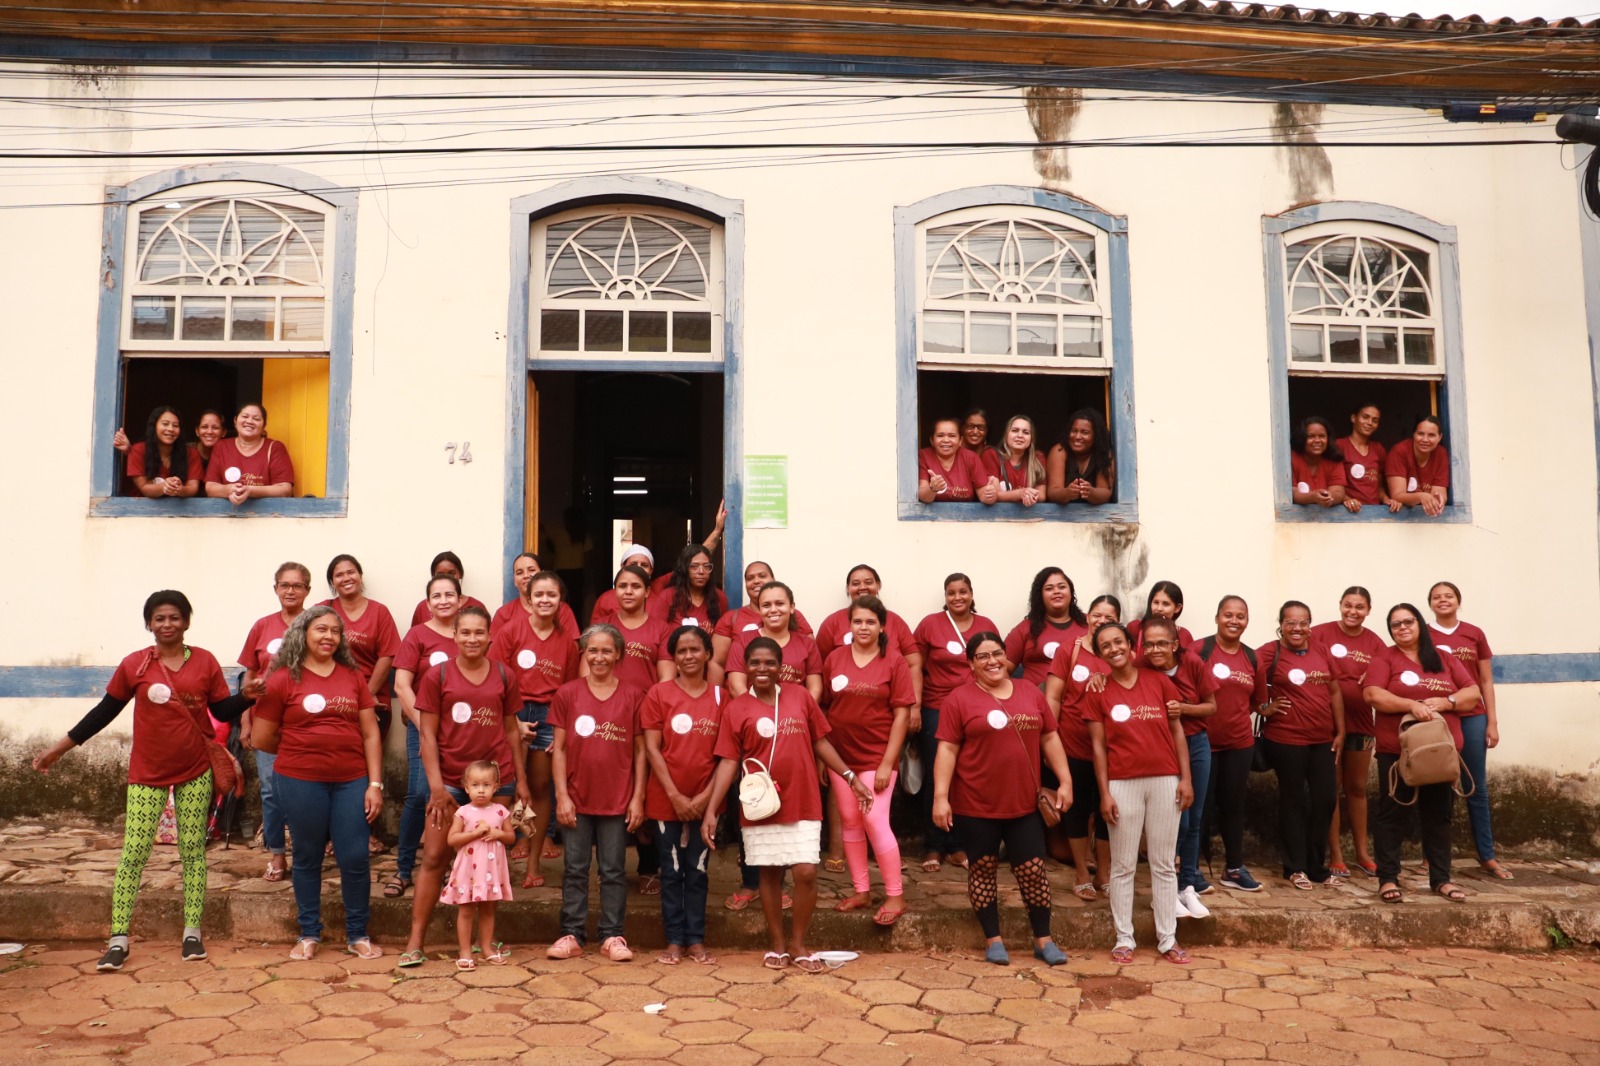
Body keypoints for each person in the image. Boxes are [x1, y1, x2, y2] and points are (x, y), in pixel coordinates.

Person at [32, 590, 251, 971]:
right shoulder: (135, 665)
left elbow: (220, 709)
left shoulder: (205, 662)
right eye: (159, 618)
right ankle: (118, 939)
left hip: (196, 771)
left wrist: (247, 696)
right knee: (133, 853)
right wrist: (59, 748)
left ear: (186, 621)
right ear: (148, 623)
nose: (167, 624)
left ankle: (192, 934)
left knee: (193, 853)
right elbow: (105, 711)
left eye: (175, 617)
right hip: (146, 774)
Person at [702, 637, 873, 973]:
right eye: (755, 663)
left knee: (806, 871)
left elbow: (820, 742)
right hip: (760, 804)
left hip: (803, 797)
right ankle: (778, 945)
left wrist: (851, 777)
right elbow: (726, 762)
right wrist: (711, 808)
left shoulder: (800, 697)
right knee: (769, 873)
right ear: (746, 667)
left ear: (781, 667)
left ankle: (799, 943)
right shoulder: (736, 709)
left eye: (769, 663)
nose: (762, 669)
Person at [397, 606, 529, 968]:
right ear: (454, 636)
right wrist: (437, 789)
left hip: (495, 781)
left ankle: (484, 942)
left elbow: (511, 730)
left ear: (490, 636)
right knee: (436, 857)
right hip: (451, 783)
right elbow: (426, 734)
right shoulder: (437, 675)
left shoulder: (504, 674)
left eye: (479, 633)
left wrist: (521, 781)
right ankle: (415, 941)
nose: (472, 639)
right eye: (465, 632)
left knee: (491, 858)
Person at [250, 606, 385, 961]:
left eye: (335, 631)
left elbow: (370, 733)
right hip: (299, 780)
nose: (328, 636)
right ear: (303, 634)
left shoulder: (352, 677)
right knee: (307, 856)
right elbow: (263, 738)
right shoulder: (282, 678)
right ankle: (309, 933)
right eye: (320, 629)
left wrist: (375, 784)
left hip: (351, 780)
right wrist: (304, 749)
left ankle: (358, 933)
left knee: (355, 856)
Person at [932, 632, 1072, 967]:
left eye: (997, 653)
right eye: (983, 656)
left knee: (1033, 872)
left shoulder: (1028, 692)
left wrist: (1065, 780)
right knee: (982, 870)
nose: (992, 661)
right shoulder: (958, 699)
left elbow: (1049, 737)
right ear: (971, 664)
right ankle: (993, 940)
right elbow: (947, 750)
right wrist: (940, 797)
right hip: (975, 804)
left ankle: (1043, 939)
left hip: (1024, 804)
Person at [1084, 623, 1193, 965]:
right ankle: (1124, 938)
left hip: (1164, 781)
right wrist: (1105, 793)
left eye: (1119, 642)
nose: (1114, 649)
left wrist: (1185, 778)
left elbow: (1178, 734)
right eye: (1105, 646)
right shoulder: (1097, 690)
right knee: (1122, 865)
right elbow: (1098, 748)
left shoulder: (1159, 682)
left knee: (1163, 864)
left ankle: (1167, 938)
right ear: (1099, 653)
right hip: (1122, 783)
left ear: (1132, 645)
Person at [1363, 603, 1481, 904]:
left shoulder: (1444, 658)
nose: (1402, 628)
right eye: (1395, 625)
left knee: (1439, 816)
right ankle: (1388, 878)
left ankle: (1441, 879)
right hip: (1398, 753)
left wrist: (1447, 701)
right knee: (1393, 814)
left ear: (1420, 624)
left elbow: (1472, 693)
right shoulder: (1384, 658)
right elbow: (1373, 694)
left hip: (1440, 754)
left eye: (1408, 622)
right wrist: (1410, 704)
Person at [546, 625, 648, 962]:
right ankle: (572, 933)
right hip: (577, 796)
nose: (599, 657)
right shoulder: (568, 694)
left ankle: (612, 935)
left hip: (617, 799)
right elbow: (558, 749)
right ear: (584, 654)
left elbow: (640, 751)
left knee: (614, 869)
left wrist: (637, 798)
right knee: (575, 867)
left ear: (618, 654)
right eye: (593, 650)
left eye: (606, 651)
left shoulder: (633, 695)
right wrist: (561, 795)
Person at [822, 596, 915, 925]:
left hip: (877, 756)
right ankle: (861, 890)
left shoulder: (894, 662)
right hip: (841, 757)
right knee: (850, 821)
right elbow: (825, 708)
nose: (863, 627)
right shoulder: (834, 659)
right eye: (858, 621)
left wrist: (888, 763)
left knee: (875, 820)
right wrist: (827, 760)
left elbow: (902, 716)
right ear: (849, 625)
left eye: (870, 622)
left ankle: (895, 895)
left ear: (881, 626)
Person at [489, 570, 581, 889]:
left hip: (547, 717)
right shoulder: (511, 631)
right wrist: (513, 720)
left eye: (551, 595)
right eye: (538, 594)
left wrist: (560, 728)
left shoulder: (567, 644)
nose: (544, 600)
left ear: (560, 601)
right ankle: (498, 861)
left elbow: (568, 690)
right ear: (528, 598)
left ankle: (532, 865)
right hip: (510, 713)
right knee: (511, 787)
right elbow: (493, 677)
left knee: (540, 789)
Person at [640, 625, 725, 964]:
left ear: (707, 654)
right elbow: (651, 749)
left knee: (699, 869)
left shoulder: (721, 697)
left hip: (708, 802)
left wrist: (707, 799)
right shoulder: (659, 694)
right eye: (681, 651)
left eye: (695, 650)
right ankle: (674, 939)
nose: (688, 656)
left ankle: (696, 939)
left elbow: (725, 756)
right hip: (665, 799)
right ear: (673, 658)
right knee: (671, 871)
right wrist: (674, 795)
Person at [1255, 601, 1346, 889]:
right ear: (1280, 624)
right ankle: (1294, 868)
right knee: (1292, 801)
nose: (1297, 628)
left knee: (1325, 800)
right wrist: (1263, 708)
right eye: (1291, 622)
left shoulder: (1320, 649)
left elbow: (1334, 690)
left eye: (1303, 622)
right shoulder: (1270, 652)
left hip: (1322, 741)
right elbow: (1243, 679)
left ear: (1310, 624)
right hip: (1286, 740)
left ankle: (1316, 865)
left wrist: (1340, 731)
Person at [912, 574, 996, 874]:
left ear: (972, 594)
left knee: (966, 776)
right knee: (937, 777)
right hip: (937, 708)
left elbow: (996, 666)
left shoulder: (986, 624)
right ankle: (934, 845)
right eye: (951, 593)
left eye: (963, 592)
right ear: (945, 596)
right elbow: (915, 667)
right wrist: (916, 707)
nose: (957, 597)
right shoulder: (930, 624)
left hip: (975, 707)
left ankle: (958, 845)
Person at [1137, 617, 1219, 917]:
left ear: (1175, 644)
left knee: (1193, 817)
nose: (1155, 650)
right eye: (1149, 644)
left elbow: (1211, 706)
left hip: (1195, 743)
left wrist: (1183, 708)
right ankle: (1165, 889)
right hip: (1160, 748)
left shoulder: (1193, 663)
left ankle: (1187, 887)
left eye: (1162, 643)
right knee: (1174, 821)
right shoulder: (1140, 666)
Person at [389, 574, 463, 898]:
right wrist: (425, 726)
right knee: (420, 795)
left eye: (450, 594)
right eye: (437, 595)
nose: (444, 600)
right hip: (422, 728)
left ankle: (448, 867)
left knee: (456, 796)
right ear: (428, 603)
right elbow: (401, 685)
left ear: (461, 600)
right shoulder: (417, 635)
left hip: (461, 732)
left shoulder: (468, 634)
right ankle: (404, 869)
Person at [1428, 581, 1507, 879]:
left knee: (1476, 786)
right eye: (1436, 597)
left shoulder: (1474, 633)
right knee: (1437, 785)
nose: (1442, 600)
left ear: (1458, 601)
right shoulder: (1424, 634)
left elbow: (1485, 681)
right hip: (1440, 718)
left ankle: (1487, 855)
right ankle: (1433, 856)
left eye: (1448, 596)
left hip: (1473, 716)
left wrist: (1492, 721)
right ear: (1431, 604)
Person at [323, 554, 401, 854]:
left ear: (360, 575)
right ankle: (333, 834)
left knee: (368, 769)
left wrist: (365, 697)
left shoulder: (379, 613)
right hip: (332, 703)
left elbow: (387, 655)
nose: (346, 578)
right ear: (332, 582)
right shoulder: (323, 611)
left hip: (373, 702)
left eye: (351, 572)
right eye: (339, 574)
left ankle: (363, 832)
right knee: (334, 768)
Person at [1043, 594, 1119, 900]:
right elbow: (1052, 698)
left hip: (1112, 748)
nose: (1102, 622)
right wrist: (1052, 742)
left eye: (1109, 618)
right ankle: (1081, 873)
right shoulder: (1069, 650)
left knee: (1107, 812)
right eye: (1097, 615)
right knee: (1074, 810)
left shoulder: (1119, 652)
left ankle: (1104, 872)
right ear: (1087, 616)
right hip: (1071, 744)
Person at [238, 562, 310, 883]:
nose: (290, 590)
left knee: (306, 789)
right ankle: (278, 856)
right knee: (270, 791)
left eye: (297, 585)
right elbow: (250, 677)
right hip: (265, 720)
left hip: (305, 721)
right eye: (284, 585)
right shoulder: (262, 626)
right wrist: (245, 723)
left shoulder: (316, 624)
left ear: (307, 590)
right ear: (276, 589)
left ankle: (307, 854)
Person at [1312, 587, 1386, 878]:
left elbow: (1388, 672)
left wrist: (1376, 674)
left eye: (1359, 607)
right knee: (1333, 788)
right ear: (1340, 605)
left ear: (1368, 610)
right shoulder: (1320, 634)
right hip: (1328, 725)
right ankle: (1336, 854)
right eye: (1347, 605)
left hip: (1362, 723)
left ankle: (1363, 852)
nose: (1352, 611)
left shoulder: (1375, 642)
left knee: (1357, 788)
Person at [1196, 595, 1265, 893]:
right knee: (1200, 807)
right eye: (1228, 615)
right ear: (1217, 617)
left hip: (1239, 743)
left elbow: (1257, 700)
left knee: (1234, 806)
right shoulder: (1200, 650)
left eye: (1240, 616)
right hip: (1202, 744)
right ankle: (1192, 870)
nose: (1234, 621)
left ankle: (1234, 868)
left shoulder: (1252, 657)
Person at [440, 760, 516, 970]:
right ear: (466, 787)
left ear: (496, 787)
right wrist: (473, 833)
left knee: (489, 909)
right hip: (469, 870)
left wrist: (497, 833)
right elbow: (452, 839)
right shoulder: (463, 812)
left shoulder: (501, 811)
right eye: (475, 785)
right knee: (466, 910)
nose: (481, 790)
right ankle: (465, 951)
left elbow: (510, 837)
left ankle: (486, 948)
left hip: (491, 871)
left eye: (486, 785)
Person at [712, 560, 813, 676]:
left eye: (762, 576)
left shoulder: (793, 615)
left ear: (773, 580)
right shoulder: (731, 618)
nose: (756, 581)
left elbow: (811, 656)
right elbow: (717, 663)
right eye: (750, 578)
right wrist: (716, 694)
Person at [726, 581, 823, 700]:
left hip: (795, 716)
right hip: (754, 715)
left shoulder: (807, 644)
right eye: (766, 605)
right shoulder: (743, 641)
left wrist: (798, 713)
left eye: (779, 604)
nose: (773, 610)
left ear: (792, 607)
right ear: (760, 609)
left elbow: (815, 689)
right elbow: (736, 687)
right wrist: (760, 714)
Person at [1004, 567, 1088, 688]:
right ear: (1040, 596)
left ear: (1071, 591)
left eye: (1062, 587)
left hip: (1084, 702)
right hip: (1037, 702)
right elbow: (1001, 669)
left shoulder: (1090, 623)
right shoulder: (1025, 628)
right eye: (1049, 588)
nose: (1056, 591)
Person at [602, 565, 675, 692]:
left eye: (636, 586)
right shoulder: (601, 627)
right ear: (615, 591)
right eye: (622, 586)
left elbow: (667, 678)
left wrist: (651, 705)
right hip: (606, 707)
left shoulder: (662, 629)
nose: (628, 591)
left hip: (647, 706)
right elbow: (587, 675)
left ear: (647, 592)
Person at [204, 402, 294, 505]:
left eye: (256, 419)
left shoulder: (275, 448)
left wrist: (251, 491)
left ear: (264, 425)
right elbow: (210, 487)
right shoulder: (222, 447)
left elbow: (285, 490)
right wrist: (229, 489)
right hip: (227, 516)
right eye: (245, 416)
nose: (249, 421)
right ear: (235, 421)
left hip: (268, 516)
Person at [491, 552, 579, 637]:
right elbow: (495, 650)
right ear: (514, 580)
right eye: (519, 572)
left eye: (531, 570)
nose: (526, 575)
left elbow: (572, 649)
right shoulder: (503, 614)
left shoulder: (562, 610)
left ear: (542, 574)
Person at [122, 406, 202, 498]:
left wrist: (179, 489)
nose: (171, 429)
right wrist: (165, 486)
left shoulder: (192, 453)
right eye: (165, 424)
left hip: (181, 510)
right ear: (154, 426)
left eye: (175, 425)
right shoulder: (138, 450)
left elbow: (193, 488)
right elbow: (144, 488)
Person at [649, 544, 729, 631]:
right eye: (694, 566)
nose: (701, 571)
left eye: (706, 566)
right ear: (684, 569)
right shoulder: (667, 597)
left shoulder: (719, 597)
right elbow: (654, 632)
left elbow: (723, 634)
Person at [918, 417, 999, 504]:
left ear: (960, 440)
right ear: (932, 440)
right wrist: (933, 489)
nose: (946, 440)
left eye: (952, 436)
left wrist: (989, 495)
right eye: (940, 435)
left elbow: (983, 495)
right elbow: (924, 497)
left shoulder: (971, 457)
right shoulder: (923, 456)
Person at [1046, 408, 1114, 505]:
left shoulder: (1103, 453)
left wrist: (1091, 492)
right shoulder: (1059, 451)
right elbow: (1052, 492)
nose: (1077, 437)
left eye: (1085, 432)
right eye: (1074, 431)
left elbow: (1106, 492)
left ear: (1096, 436)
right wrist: (1067, 493)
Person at [1385, 414, 1449, 516]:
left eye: (1431, 435)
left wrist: (1439, 499)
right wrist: (1421, 496)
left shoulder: (1441, 454)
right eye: (1420, 434)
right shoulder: (1399, 451)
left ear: (1439, 437)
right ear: (1414, 434)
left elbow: (1439, 492)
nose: (1425, 439)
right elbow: (1397, 495)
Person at [410, 552, 488, 627]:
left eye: (451, 573)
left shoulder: (476, 606)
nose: (446, 578)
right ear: (433, 576)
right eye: (440, 574)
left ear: (460, 574)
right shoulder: (423, 608)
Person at [1337, 403, 1389, 513]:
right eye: (1365, 417)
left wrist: (1386, 499)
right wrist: (1347, 499)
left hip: (1374, 512)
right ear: (1353, 418)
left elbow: (1378, 486)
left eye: (1374, 420)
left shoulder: (1378, 449)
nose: (1369, 423)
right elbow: (1332, 483)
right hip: (1347, 511)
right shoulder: (1340, 446)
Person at [1290, 415, 1347, 509]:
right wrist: (1314, 497)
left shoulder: (1334, 459)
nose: (1317, 440)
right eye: (1311, 436)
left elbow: (1338, 492)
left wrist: (1328, 497)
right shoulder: (1292, 458)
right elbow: (1293, 493)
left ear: (1328, 439)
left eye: (1322, 436)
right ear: (1302, 438)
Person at [991, 414, 1046, 506]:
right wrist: (1020, 494)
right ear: (1006, 435)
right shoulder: (992, 455)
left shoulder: (1038, 458)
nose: (1020, 435)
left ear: (1031, 438)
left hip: (1029, 516)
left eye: (1026, 432)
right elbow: (994, 495)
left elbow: (1042, 495)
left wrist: (1030, 496)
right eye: (1015, 431)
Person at [1127, 581, 1195, 651]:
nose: (1159, 608)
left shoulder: (1184, 635)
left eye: (1166, 604)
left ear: (1177, 608)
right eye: (1156, 602)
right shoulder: (1135, 628)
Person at [960, 408, 1004, 481]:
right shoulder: (953, 451)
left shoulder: (990, 454)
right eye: (970, 426)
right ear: (962, 428)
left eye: (981, 428)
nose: (975, 431)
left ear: (987, 431)